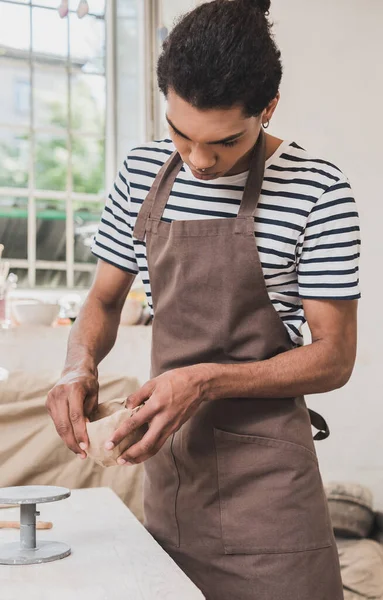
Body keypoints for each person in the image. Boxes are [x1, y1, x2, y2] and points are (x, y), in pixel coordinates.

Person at [46, 0, 360, 598]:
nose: (196, 160)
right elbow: (105, 301)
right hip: (172, 486)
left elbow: (335, 356)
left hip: (270, 503)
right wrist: (76, 364)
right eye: (180, 133)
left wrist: (203, 381)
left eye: (224, 142)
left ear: (267, 110)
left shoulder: (317, 190)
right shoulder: (141, 173)